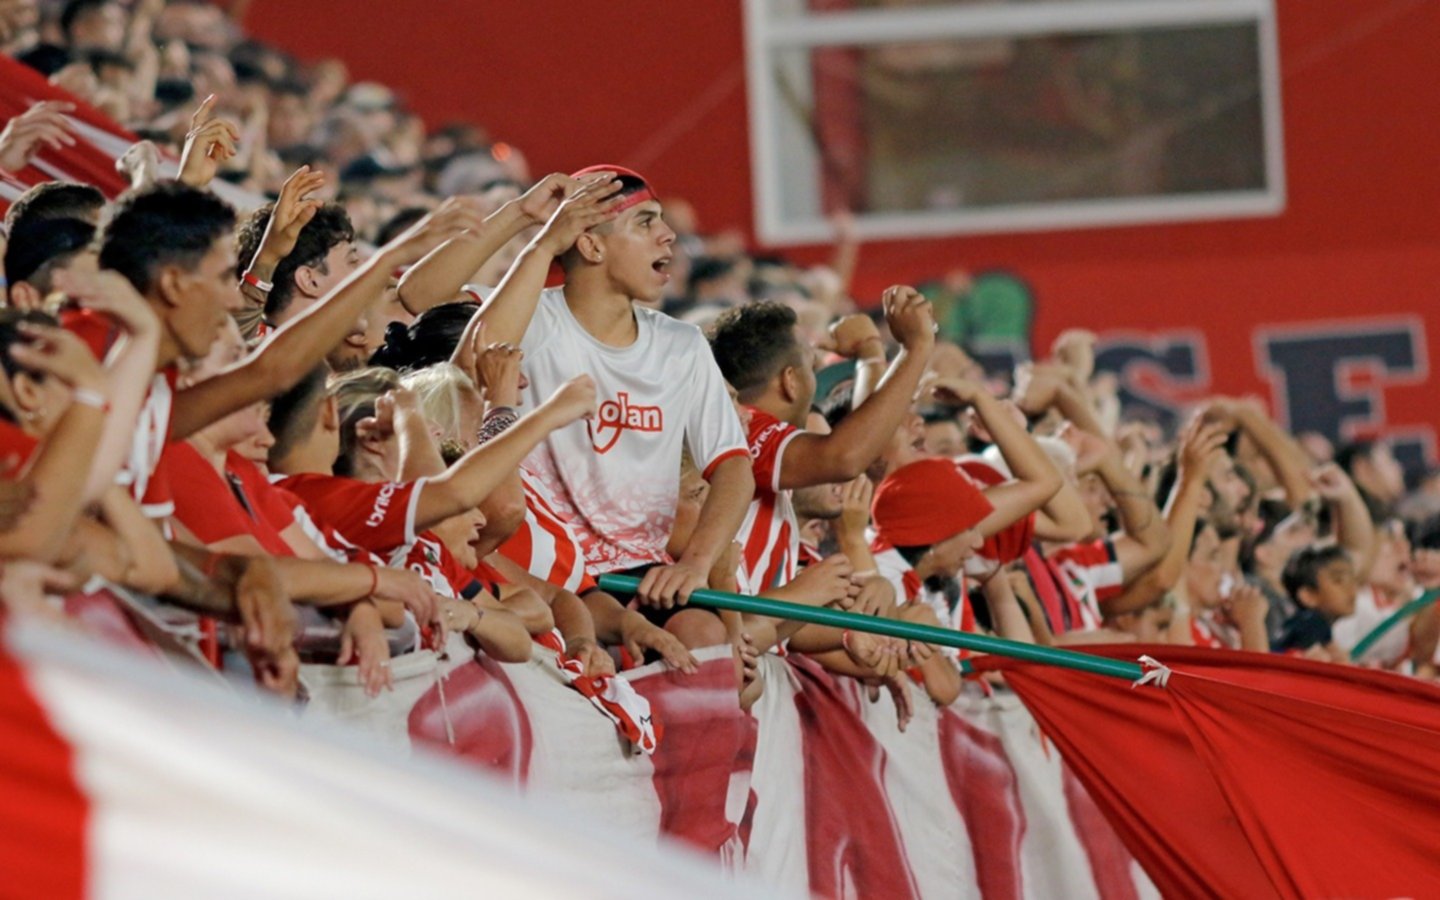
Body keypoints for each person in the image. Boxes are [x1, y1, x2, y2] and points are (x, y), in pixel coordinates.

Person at [470, 167, 755, 647]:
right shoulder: (533, 318)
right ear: (591, 245)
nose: (668, 236)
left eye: (662, 221)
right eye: (645, 222)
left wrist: (696, 564)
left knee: (706, 640)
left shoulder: (681, 343)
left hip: (643, 577)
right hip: (545, 568)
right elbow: (481, 349)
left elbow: (733, 466)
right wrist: (539, 242)